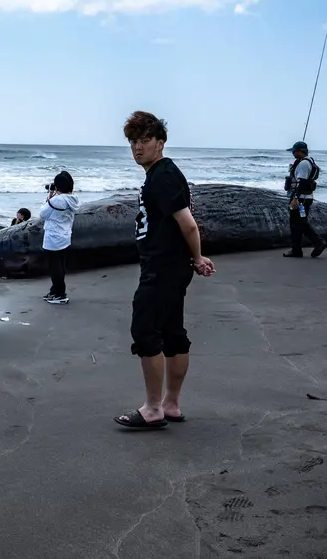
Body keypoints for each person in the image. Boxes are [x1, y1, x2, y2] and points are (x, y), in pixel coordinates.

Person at [115, 111, 215, 429]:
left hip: (162, 267)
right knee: (172, 334)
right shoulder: (160, 175)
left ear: (161, 143)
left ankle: (153, 408)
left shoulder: (163, 176)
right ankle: (170, 404)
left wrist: (198, 257)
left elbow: (188, 224)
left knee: (145, 332)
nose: (138, 147)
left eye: (145, 141)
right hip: (169, 265)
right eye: (133, 141)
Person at [39, 170, 80, 304]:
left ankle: (60, 294)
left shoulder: (57, 200)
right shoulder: (73, 199)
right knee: (60, 265)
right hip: (65, 235)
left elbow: (43, 214)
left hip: (53, 237)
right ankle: (55, 290)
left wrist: (50, 197)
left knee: (54, 267)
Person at [283, 141, 326, 258]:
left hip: (300, 199)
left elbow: (301, 183)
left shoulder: (303, 164)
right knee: (301, 222)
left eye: (294, 151)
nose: (292, 153)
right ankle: (299, 249)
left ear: (301, 151)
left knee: (295, 223)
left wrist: (295, 198)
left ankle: (315, 244)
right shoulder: (308, 162)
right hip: (305, 198)